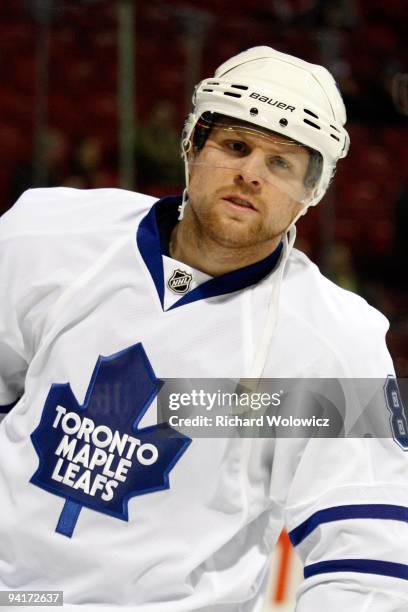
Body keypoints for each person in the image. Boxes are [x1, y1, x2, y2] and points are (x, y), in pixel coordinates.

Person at [0, 46, 407, 612]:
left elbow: (369, 561)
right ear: (192, 145)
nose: (250, 175)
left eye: (281, 163)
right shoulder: (45, 234)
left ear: (311, 193)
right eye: (236, 146)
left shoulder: (338, 341)